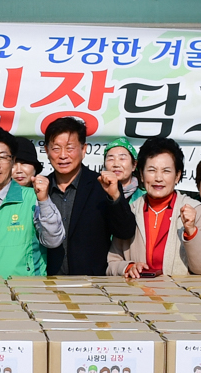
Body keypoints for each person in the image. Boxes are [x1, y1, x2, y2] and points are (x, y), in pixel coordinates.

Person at [40, 117, 136, 277]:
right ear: (46, 150)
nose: (63, 155)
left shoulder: (103, 186)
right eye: (56, 148)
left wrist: (115, 197)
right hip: (48, 284)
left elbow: (125, 232)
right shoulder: (40, 189)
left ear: (84, 149)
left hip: (92, 286)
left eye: (70, 148)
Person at [0, 126, 64, 276]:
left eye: (2, 157)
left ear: (12, 160)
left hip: (27, 293)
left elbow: (53, 240)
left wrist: (44, 201)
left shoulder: (33, 197)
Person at [113, 138, 201, 278]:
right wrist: (128, 267)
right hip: (137, 296)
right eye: (152, 170)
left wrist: (191, 231)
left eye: (166, 171)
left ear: (177, 176)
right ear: (141, 173)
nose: (158, 178)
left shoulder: (195, 210)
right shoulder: (130, 211)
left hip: (179, 297)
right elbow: (111, 262)